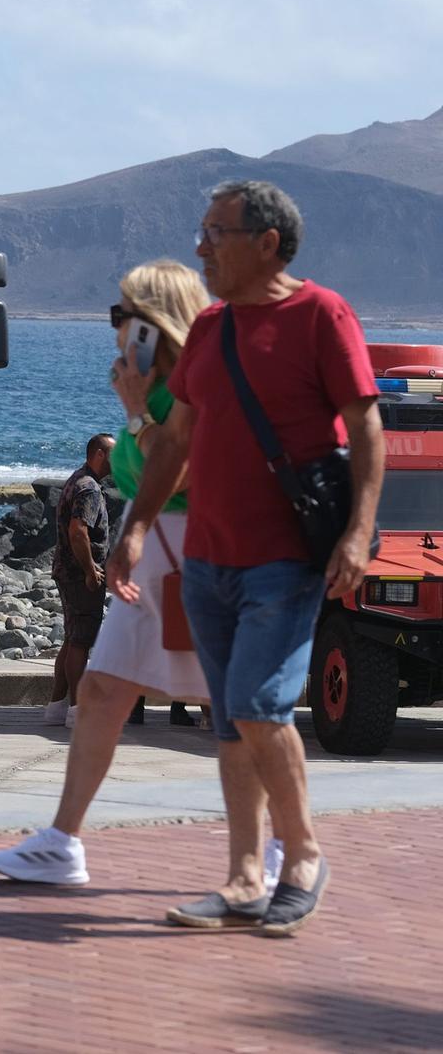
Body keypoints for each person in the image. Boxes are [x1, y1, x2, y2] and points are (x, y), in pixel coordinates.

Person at [108, 180, 381, 936]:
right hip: (208, 561)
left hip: (285, 560)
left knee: (261, 706)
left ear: (267, 242)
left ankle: (303, 856)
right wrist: (134, 528)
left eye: (215, 232)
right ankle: (241, 879)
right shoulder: (211, 329)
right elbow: (177, 440)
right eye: (200, 230)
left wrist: (359, 534)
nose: (201, 247)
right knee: (230, 723)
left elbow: (366, 430)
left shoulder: (321, 315)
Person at [0, 260, 233, 887]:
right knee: (100, 693)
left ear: (154, 320)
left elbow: (176, 469)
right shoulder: (156, 380)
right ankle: (62, 841)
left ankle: (283, 847)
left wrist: (132, 411)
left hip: (183, 545)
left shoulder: (190, 382)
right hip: (148, 549)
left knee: (246, 714)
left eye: (124, 316)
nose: (116, 328)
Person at [45, 434, 115, 726]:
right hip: (79, 575)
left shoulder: (78, 479)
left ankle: (56, 707)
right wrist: (90, 569)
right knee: (81, 642)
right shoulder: (89, 489)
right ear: (99, 454)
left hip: (67, 570)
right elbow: (78, 530)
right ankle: (77, 708)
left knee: (72, 638)